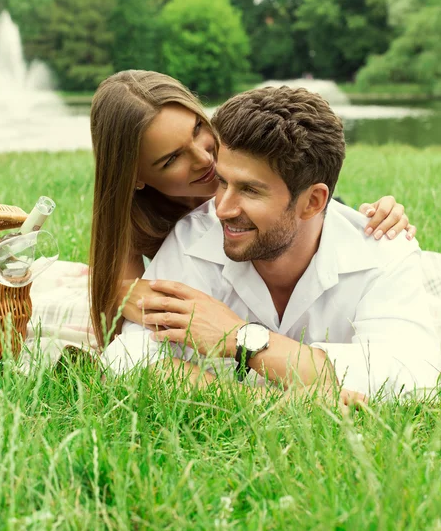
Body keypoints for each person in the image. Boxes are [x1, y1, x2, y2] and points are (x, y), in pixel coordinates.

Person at [101, 85, 440, 399]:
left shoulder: (384, 250)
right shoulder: (192, 236)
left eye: (250, 189)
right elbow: (129, 358)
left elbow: (410, 376)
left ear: (313, 202)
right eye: (221, 182)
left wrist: (237, 337)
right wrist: (267, 401)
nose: (220, 208)